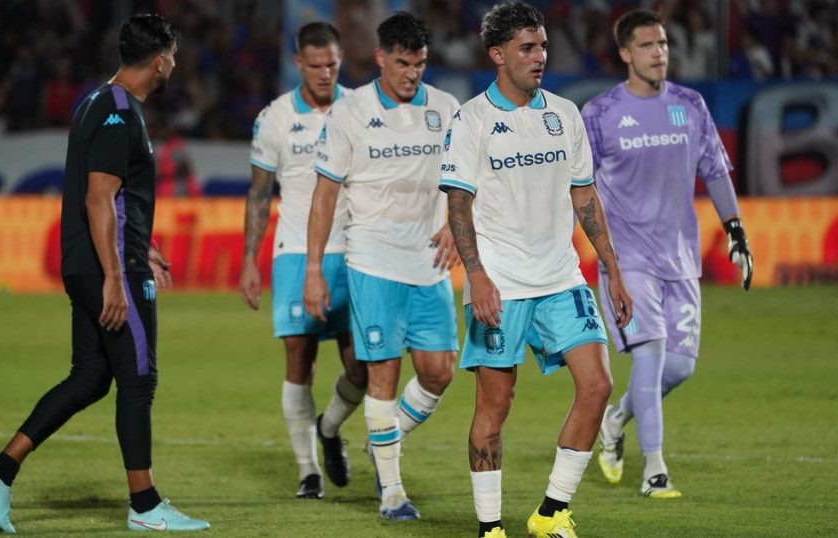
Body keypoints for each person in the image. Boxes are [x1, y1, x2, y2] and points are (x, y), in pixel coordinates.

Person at [0, 14, 209, 533]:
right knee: (139, 379)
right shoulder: (122, 113)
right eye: (173, 55)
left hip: (95, 259)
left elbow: (116, 199)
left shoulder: (97, 103)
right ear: (162, 57)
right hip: (106, 266)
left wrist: (147, 247)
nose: (174, 64)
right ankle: (145, 507)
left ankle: (0, 470)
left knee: (91, 377)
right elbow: (99, 197)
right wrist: (117, 275)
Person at [439, 3, 634, 537]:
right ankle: (489, 528)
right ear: (497, 54)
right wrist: (476, 275)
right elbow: (457, 206)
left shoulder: (565, 115)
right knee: (494, 407)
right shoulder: (472, 120)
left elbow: (584, 195)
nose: (540, 57)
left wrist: (613, 268)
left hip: (562, 278)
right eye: (528, 48)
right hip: (500, 284)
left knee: (597, 385)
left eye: (543, 46)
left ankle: (551, 512)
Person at [581, 8, 753, 499]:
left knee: (679, 368)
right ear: (624, 54)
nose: (659, 54)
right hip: (627, 261)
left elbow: (715, 170)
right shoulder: (601, 114)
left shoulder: (690, 105)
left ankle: (615, 420)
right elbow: (581, 187)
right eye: (647, 46)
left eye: (663, 45)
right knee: (651, 357)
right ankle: (654, 469)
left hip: (680, 258)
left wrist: (735, 229)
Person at [304, 11, 461, 521]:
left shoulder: (446, 108)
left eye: (418, 64)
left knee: (439, 373)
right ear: (380, 59)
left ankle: (382, 440)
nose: (411, 74)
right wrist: (312, 269)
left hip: (430, 261)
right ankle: (392, 492)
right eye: (401, 63)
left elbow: (467, 180)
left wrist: (460, 225)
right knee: (383, 375)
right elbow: (325, 195)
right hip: (372, 259)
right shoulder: (350, 113)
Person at [240, 21, 367, 500]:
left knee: (361, 365)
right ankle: (307, 471)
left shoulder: (359, 108)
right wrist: (250, 261)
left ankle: (330, 426)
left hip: (355, 249)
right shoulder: (273, 117)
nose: (325, 73)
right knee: (300, 358)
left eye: (332, 64)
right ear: (299, 64)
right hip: (295, 251)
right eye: (315, 65)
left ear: (340, 60)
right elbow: (257, 195)